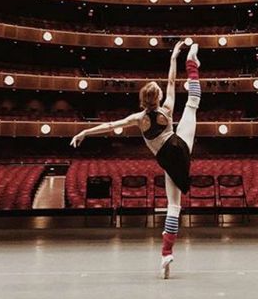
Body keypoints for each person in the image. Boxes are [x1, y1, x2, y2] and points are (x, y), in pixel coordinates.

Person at [70, 40, 201, 278]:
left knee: (173, 206)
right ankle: (192, 65)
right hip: (179, 146)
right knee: (192, 104)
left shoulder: (138, 118)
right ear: (158, 97)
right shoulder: (167, 110)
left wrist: (85, 132)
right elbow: (172, 81)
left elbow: (110, 126)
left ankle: (165, 254)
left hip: (166, 159)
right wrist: (174, 57)